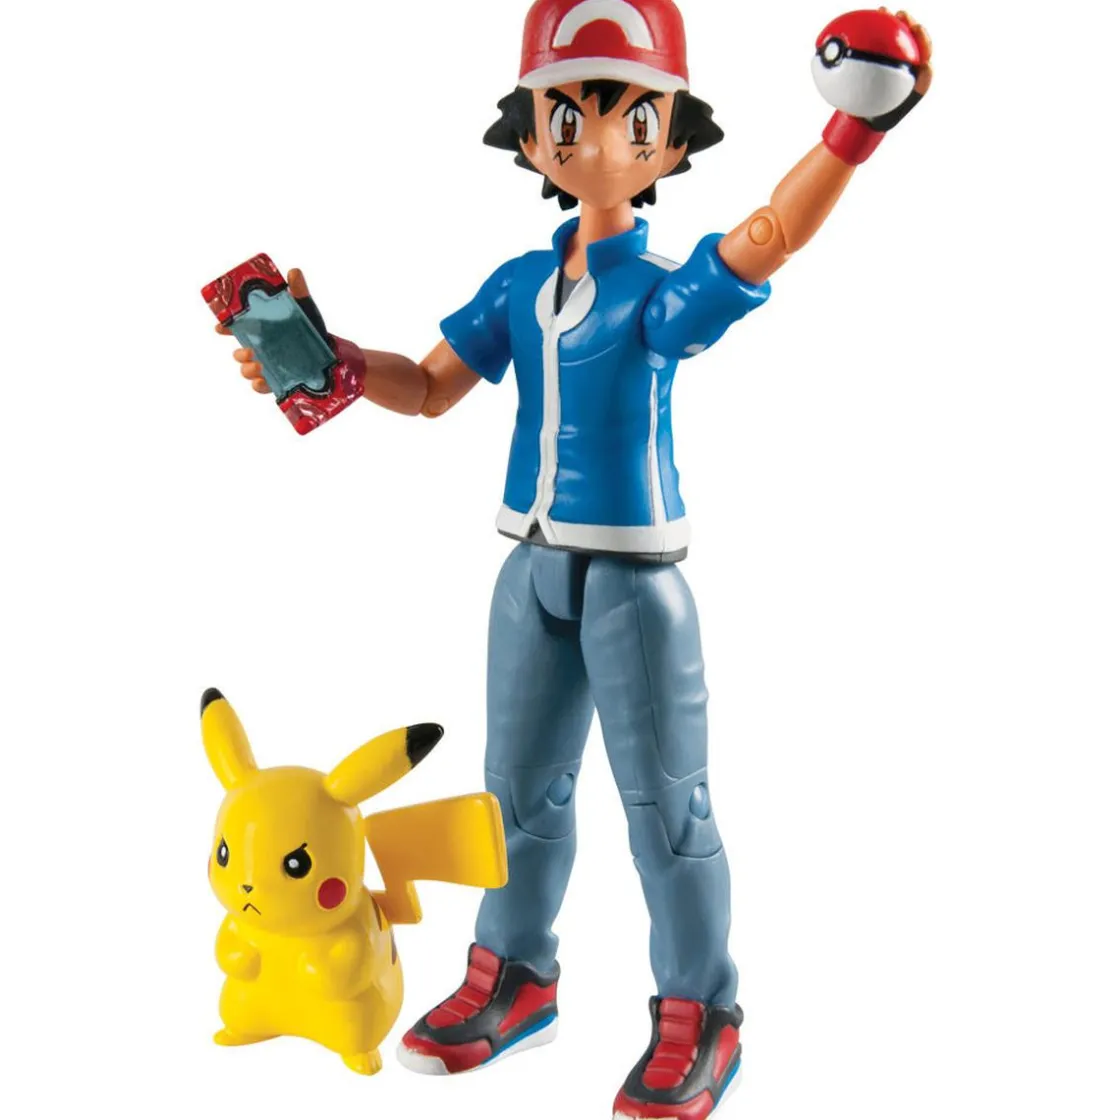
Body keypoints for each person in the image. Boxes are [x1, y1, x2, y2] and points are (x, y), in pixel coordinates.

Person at [219, 3, 933, 1115]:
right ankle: (514, 975)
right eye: (566, 115)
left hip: (636, 581)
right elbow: (433, 387)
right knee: (514, 794)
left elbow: (765, 239)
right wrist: (335, 364)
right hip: (529, 568)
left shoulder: (656, 290)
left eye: (630, 117)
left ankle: (700, 1012)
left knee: (668, 812)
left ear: (672, 140)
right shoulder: (519, 284)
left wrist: (851, 132)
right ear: (531, 134)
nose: (594, 139)